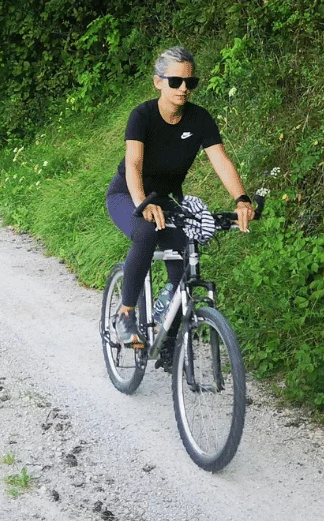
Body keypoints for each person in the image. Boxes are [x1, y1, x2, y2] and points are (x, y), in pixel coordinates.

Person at [106, 45, 253, 346]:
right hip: (127, 194)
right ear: (158, 82)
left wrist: (241, 199)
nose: (184, 88)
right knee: (146, 232)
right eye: (175, 81)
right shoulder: (142, 116)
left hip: (164, 199)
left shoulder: (199, 119)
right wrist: (142, 204)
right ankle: (125, 313)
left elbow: (221, 161)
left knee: (188, 246)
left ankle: (169, 329)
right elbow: (133, 164)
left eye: (190, 82)